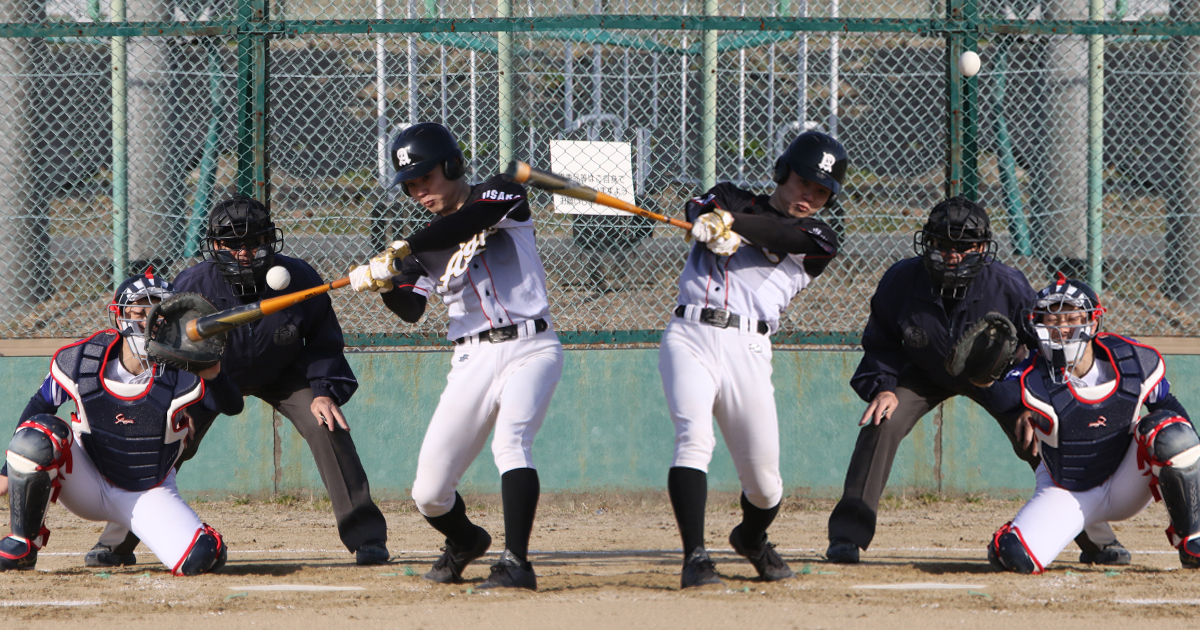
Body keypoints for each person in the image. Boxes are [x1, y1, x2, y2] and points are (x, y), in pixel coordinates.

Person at [84, 198, 390, 567]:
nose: (244, 253)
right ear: (214, 245)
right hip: (210, 376)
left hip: (283, 373)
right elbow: (170, 352)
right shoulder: (193, 285)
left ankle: (366, 538)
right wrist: (176, 405)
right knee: (164, 441)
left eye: (254, 241)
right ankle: (116, 540)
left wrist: (324, 392)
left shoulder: (301, 278)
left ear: (269, 240)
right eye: (231, 244)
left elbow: (324, 343)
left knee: (327, 425)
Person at [825, 197, 1129, 565]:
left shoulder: (1008, 284)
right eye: (943, 244)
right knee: (881, 421)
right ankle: (847, 536)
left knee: (1042, 437)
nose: (953, 254)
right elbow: (881, 343)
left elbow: (1044, 351)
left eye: (964, 245)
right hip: (925, 371)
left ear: (983, 247)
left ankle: (1099, 539)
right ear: (928, 243)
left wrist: (1036, 404)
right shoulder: (901, 280)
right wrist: (884, 387)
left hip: (1000, 375)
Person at [350, 122, 563, 590]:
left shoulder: (501, 196)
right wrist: (385, 283)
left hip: (532, 346)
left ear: (453, 165)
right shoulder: (422, 246)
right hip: (471, 360)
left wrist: (403, 248)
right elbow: (411, 308)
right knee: (428, 493)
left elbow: (467, 223)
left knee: (512, 444)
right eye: (410, 186)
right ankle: (466, 540)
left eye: (427, 178)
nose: (419, 192)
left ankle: (517, 563)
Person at [658, 130, 844, 588]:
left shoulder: (820, 235)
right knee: (693, 440)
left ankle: (751, 537)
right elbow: (697, 207)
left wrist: (730, 225)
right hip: (690, 334)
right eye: (803, 182)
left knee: (764, 486)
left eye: (820, 192)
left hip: (749, 347)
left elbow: (781, 234)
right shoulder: (730, 196)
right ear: (783, 172)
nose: (809, 196)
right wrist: (709, 217)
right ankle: (695, 559)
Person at [0, 270, 241, 574]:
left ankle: (180, 535)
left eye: (159, 310)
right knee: (37, 436)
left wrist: (215, 375)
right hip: (85, 479)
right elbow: (39, 406)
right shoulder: (83, 360)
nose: (149, 318)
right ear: (120, 314)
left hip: (147, 489)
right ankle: (23, 542)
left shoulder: (185, 364)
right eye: (141, 309)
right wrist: (7, 472)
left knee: (202, 559)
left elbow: (231, 406)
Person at [987, 276, 1200, 573]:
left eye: (1071, 317)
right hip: (1068, 489)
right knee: (1014, 557)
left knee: (1173, 435)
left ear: (1092, 322)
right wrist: (981, 377)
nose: (1061, 328)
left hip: (1127, 479)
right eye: (1051, 319)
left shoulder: (1130, 360)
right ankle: (1034, 534)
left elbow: (1169, 406)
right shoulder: (1028, 373)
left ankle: (1193, 541)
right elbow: (1001, 395)